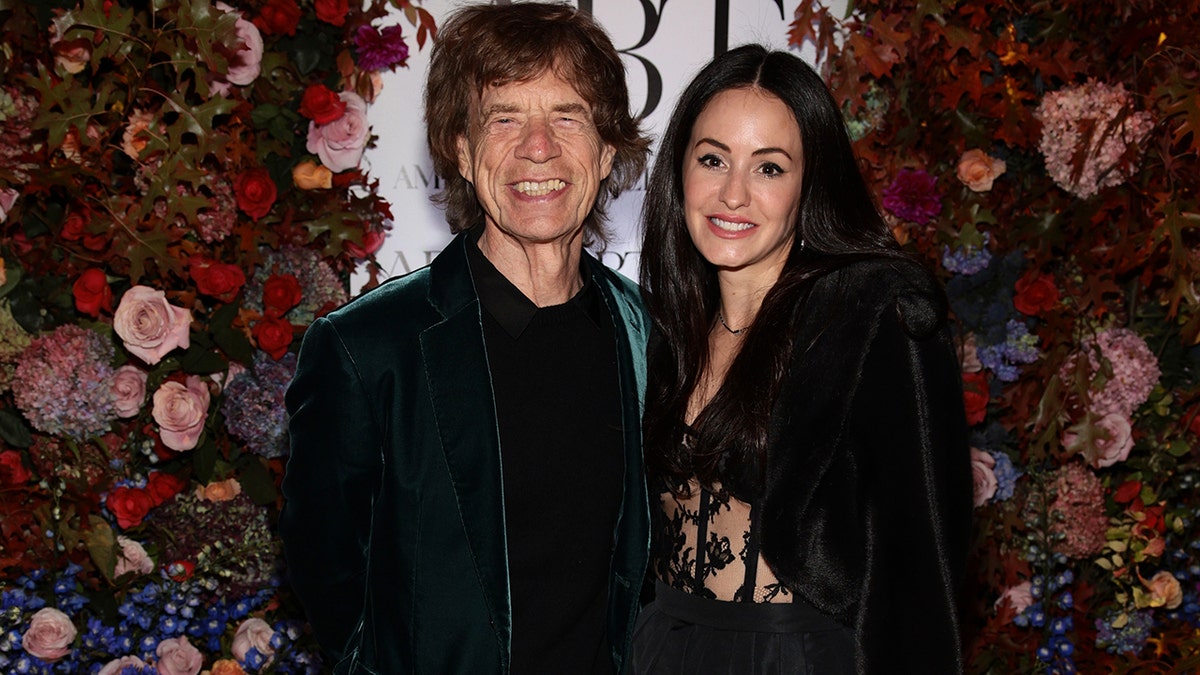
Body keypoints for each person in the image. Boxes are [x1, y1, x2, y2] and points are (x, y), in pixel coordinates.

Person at [279, 4, 653, 674]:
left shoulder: (648, 335)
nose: (537, 146)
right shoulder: (367, 351)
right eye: (503, 117)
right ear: (460, 148)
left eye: (566, 115)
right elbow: (323, 570)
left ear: (606, 149)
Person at [631, 44, 972, 674]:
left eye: (769, 169)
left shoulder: (872, 318)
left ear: (809, 185)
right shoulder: (661, 324)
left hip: (795, 659)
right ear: (679, 170)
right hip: (662, 648)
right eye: (713, 159)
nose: (732, 194)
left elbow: (920, 566)